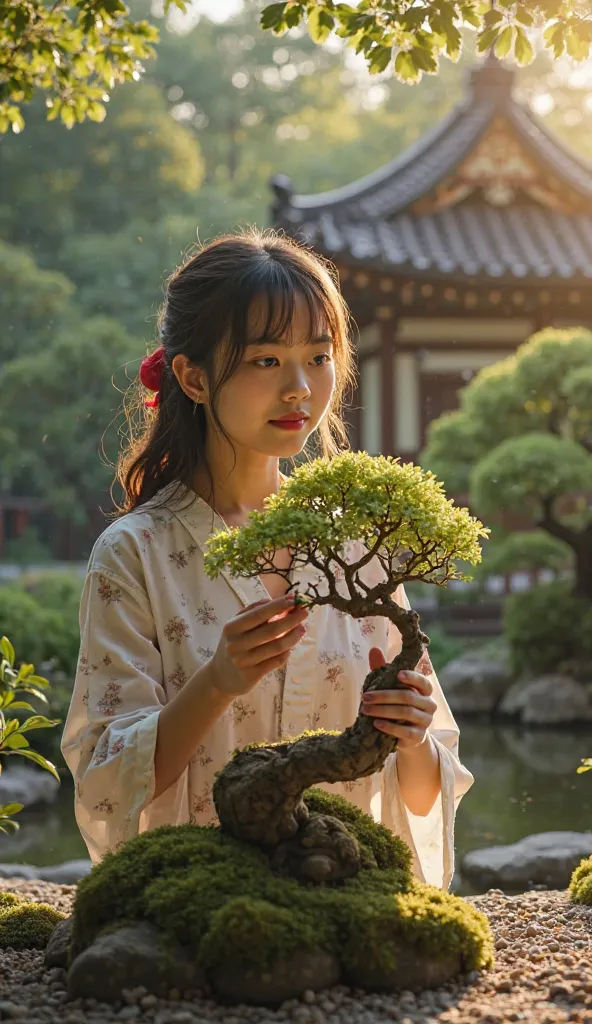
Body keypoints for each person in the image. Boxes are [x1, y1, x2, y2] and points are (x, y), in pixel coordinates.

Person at [61, 229, 473, 889]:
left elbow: (426, 788)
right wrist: (218, 679)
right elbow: (109, 777)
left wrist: (414, 732)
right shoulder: (135, 553)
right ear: (192, 376)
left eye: (318, 356)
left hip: (341, 887)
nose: (299, 389)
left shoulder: (356, 544)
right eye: (264, 361)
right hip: (201, 899)